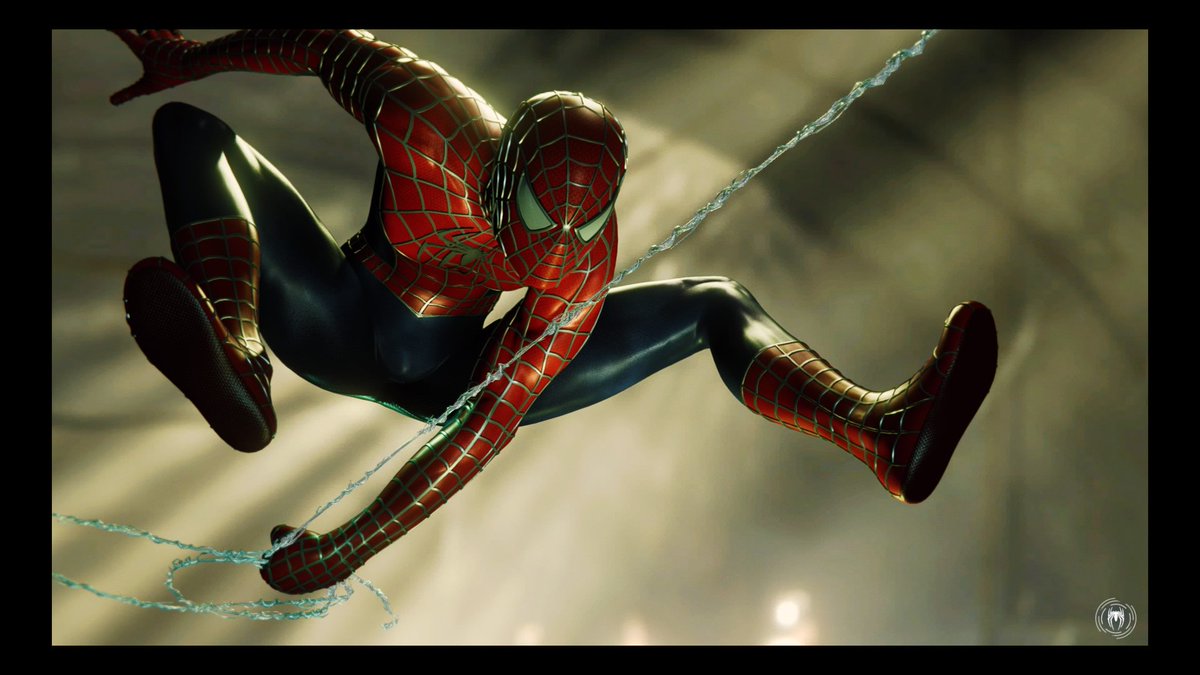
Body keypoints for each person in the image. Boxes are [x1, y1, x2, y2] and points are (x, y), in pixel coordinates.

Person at [110, 29, 998, 595]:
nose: (557, 245)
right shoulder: (422, 111)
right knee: (188, 130)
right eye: (542, 216)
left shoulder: (579, 261)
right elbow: (314, 42)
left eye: (585, 220)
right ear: (502, 172)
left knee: (716, 303)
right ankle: (237, 352)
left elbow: (483, 427)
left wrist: (350, 545)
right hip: (338, 322)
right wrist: (191, 58)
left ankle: (879, 432)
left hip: (444, 377)